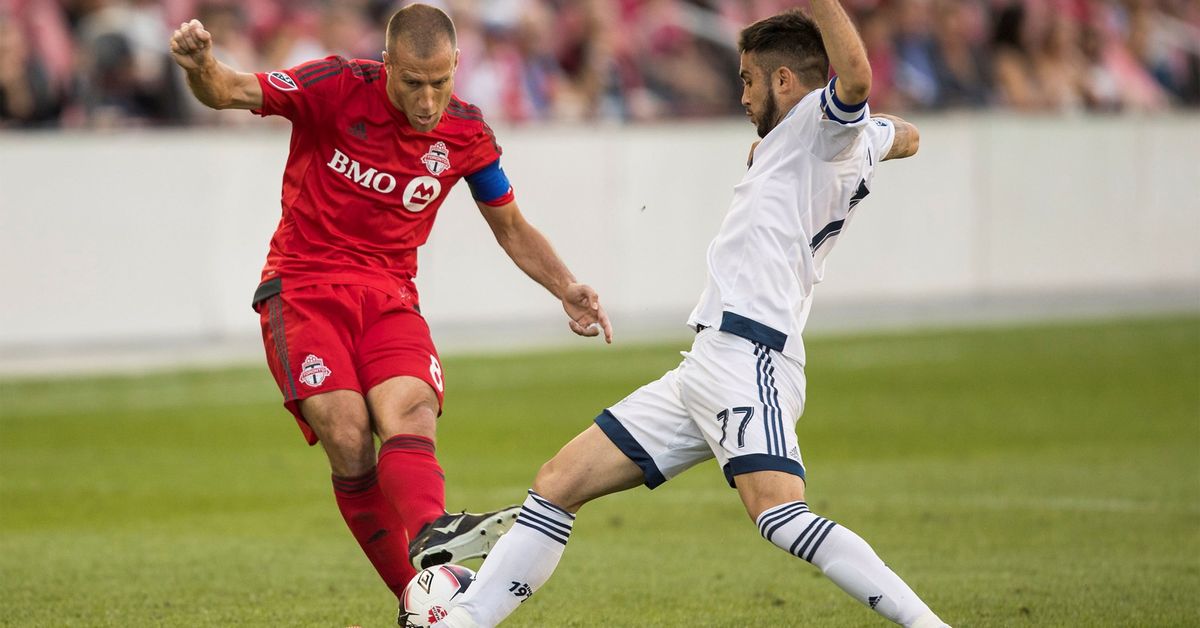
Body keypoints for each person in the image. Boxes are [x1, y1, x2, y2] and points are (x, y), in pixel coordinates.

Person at [433, 4, 950, 628]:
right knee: (558, 482)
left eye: (748, 80)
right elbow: (910, 136)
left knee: (781, 516)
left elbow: (858, 82)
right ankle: (465, 622)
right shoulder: (839, 135)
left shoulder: (821, 123)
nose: (741, 95)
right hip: (708, 364)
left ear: (786, 82)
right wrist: (871, 135)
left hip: (751, 356)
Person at [167, 2, 613, 619]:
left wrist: (565, 285)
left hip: (390, 295)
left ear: (457, 65)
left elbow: (510, 225)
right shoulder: (332, 86)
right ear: (386, 65)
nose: (428, 101)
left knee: (410, 409)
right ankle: (419, 593)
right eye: (412, 83)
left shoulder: (467, 133)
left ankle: (431, 546)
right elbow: (227, 90)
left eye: (440, 82)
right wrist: (201, 65)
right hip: (302, 287)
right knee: (348, 437)